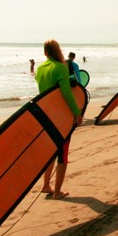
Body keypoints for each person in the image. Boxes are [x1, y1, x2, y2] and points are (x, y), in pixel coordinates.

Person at [35, 40, 83, 199]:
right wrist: (77, 112)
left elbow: (47, 90)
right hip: (60, 117)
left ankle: (46, 186)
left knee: (50, 152)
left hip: (44, 115)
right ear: (58, 50)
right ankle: (57, 192)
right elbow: (66, 93)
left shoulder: (40, 68)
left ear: (45, 52)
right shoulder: (61, 67)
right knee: (62, 155)